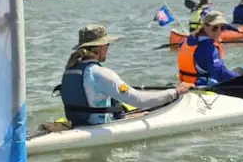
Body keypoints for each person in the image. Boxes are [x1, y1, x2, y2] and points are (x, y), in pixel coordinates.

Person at [59, 25, 192, 126]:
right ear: (99, 47)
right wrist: (175, 92)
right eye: (107, 44)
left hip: (79, 124)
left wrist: (124, 116)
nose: (108, 48)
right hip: (98, 127)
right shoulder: (99, 73)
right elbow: (138, 100)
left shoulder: (70, 70)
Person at [178, 11, 243, 85]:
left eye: (222, 28)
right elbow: (220, 73)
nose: (219, 32)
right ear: (205, 26)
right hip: (200, 86)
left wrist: (236, 29)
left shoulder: (188, 40)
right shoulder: (209, 49)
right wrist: (239, 78)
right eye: (215, 28)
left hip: (184, 83)